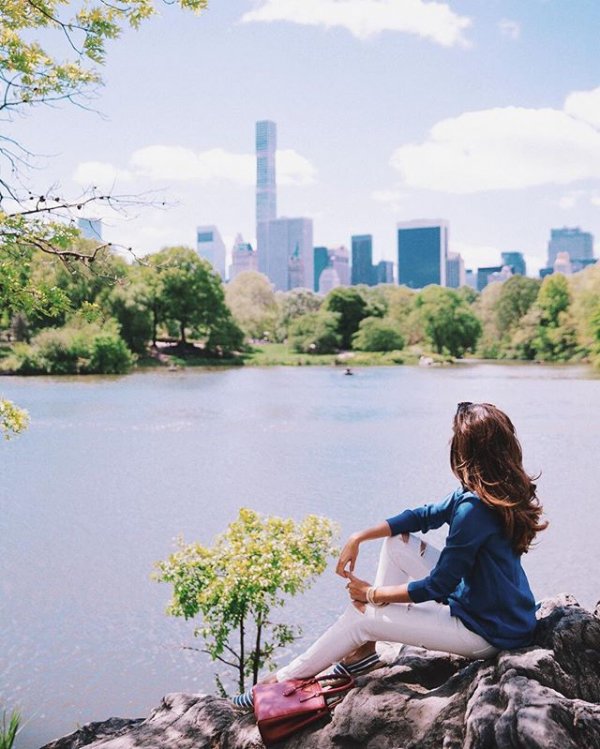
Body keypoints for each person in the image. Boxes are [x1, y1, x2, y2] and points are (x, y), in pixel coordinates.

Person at [234, 402, 547, 708]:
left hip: (485, 631)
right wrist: (361, 536)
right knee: (397, 542)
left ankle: (281, 682)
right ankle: (368, 647)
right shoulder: (490, 491)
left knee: (360, 616)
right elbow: (423, 516)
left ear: (466, 451)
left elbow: (437, 586)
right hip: (500, 609)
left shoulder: (473, 510)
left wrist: (371, 594)